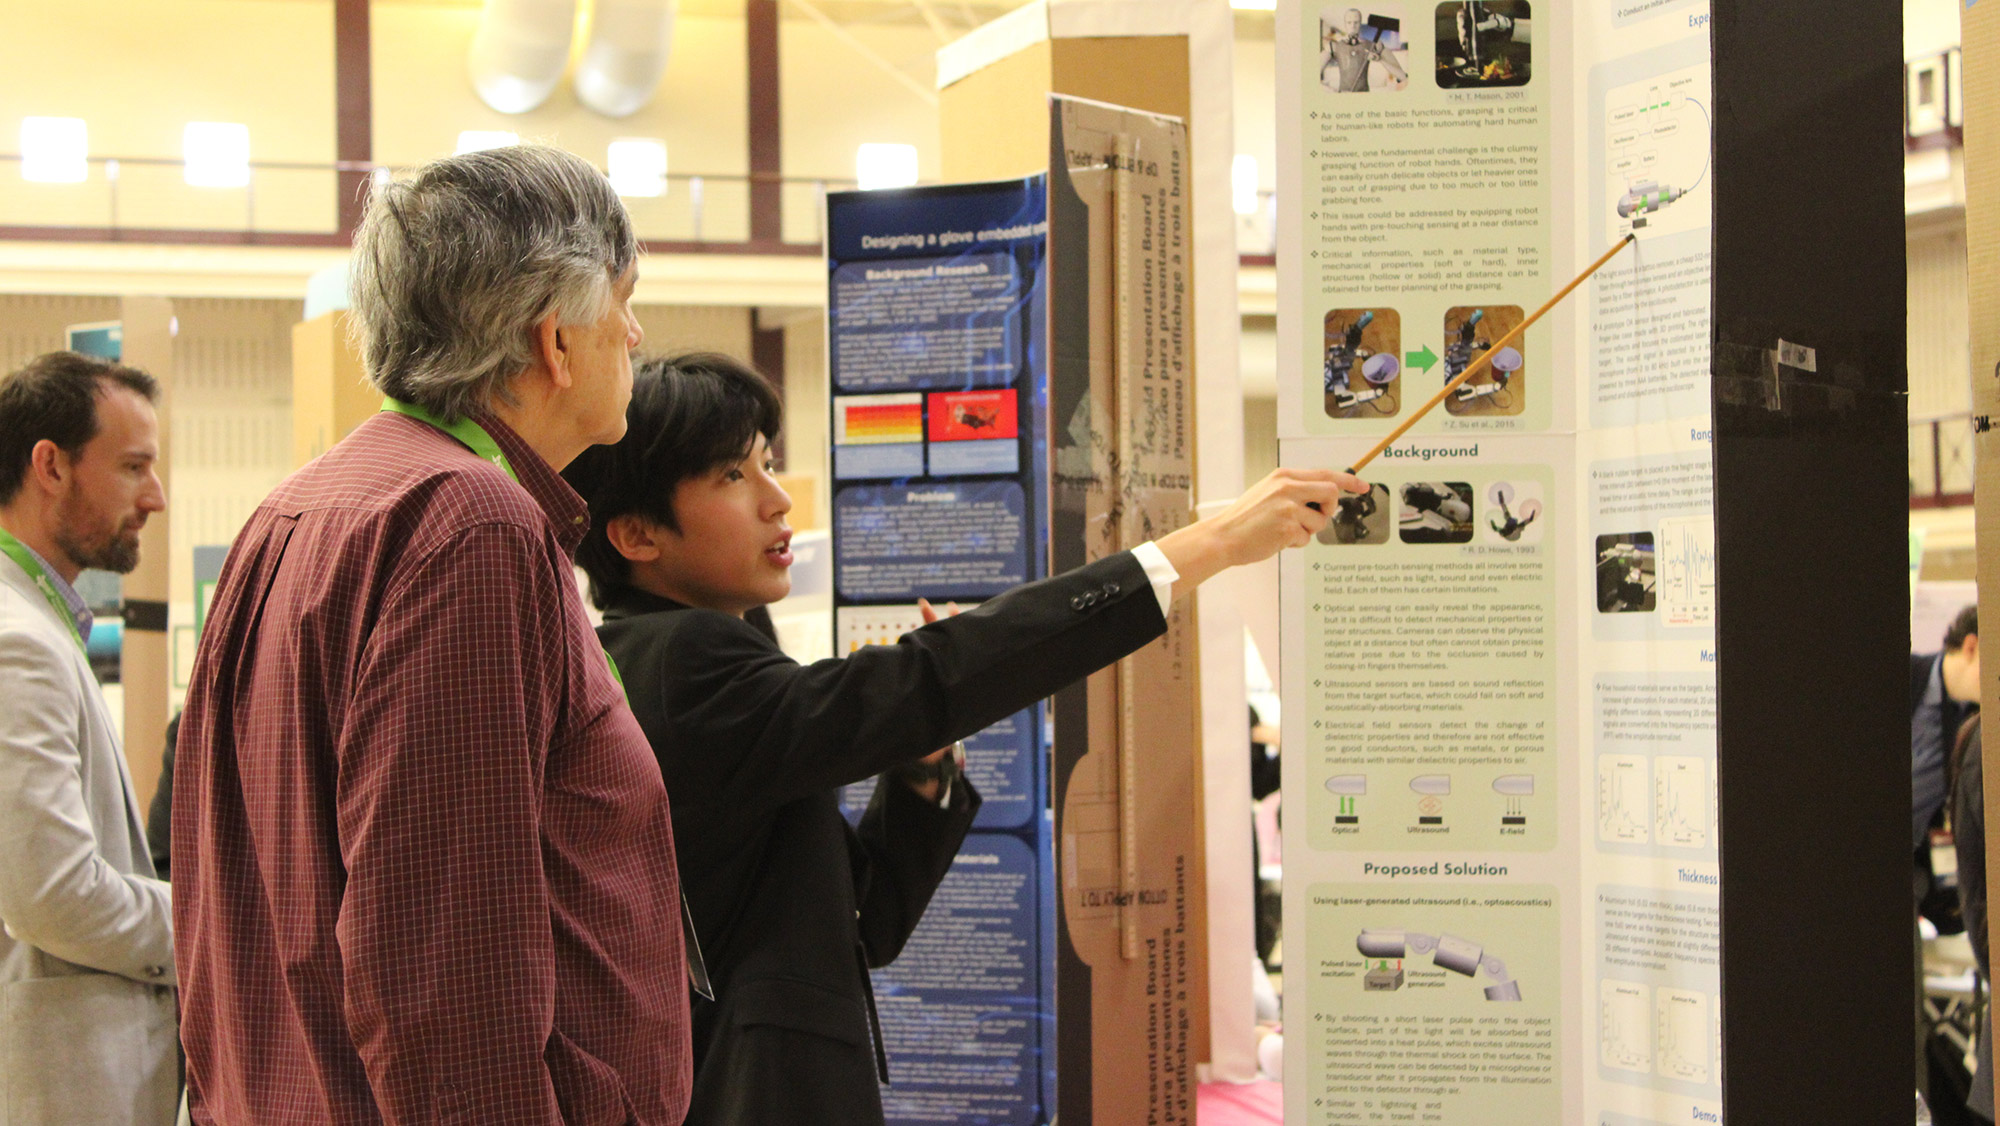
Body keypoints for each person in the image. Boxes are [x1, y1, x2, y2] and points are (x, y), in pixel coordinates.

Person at [560, 354, 1361, 1125]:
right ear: (636, 536)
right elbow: (933, 679)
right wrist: (1201, 549)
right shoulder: (679, 661)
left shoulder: (701, 664)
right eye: (734, 476)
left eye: (767, 463)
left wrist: (918, 778)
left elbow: (862, 922)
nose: (777, 500)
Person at [173, 145, 692, 1125]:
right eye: (624, 300)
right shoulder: (469, 524)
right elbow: (444, 957)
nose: (636, 331)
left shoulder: (301, 506)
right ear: (556, 339)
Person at [0, 350, 177, 1124]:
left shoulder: (37, 629)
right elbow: (54, 897)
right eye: (134, 466)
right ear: (51, 466)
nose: (157, 496)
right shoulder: (17, 645)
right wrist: (213, 920)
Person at [1321, 8, 1406, 92]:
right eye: (1349, 22)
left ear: (1360, 23)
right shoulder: (1335, 46)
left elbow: (1402, 76)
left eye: (1356, 22)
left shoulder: (1372, 46)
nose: (1352, 26)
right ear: (1345, 24)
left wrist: (1381, 59)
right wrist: (1330, 92)